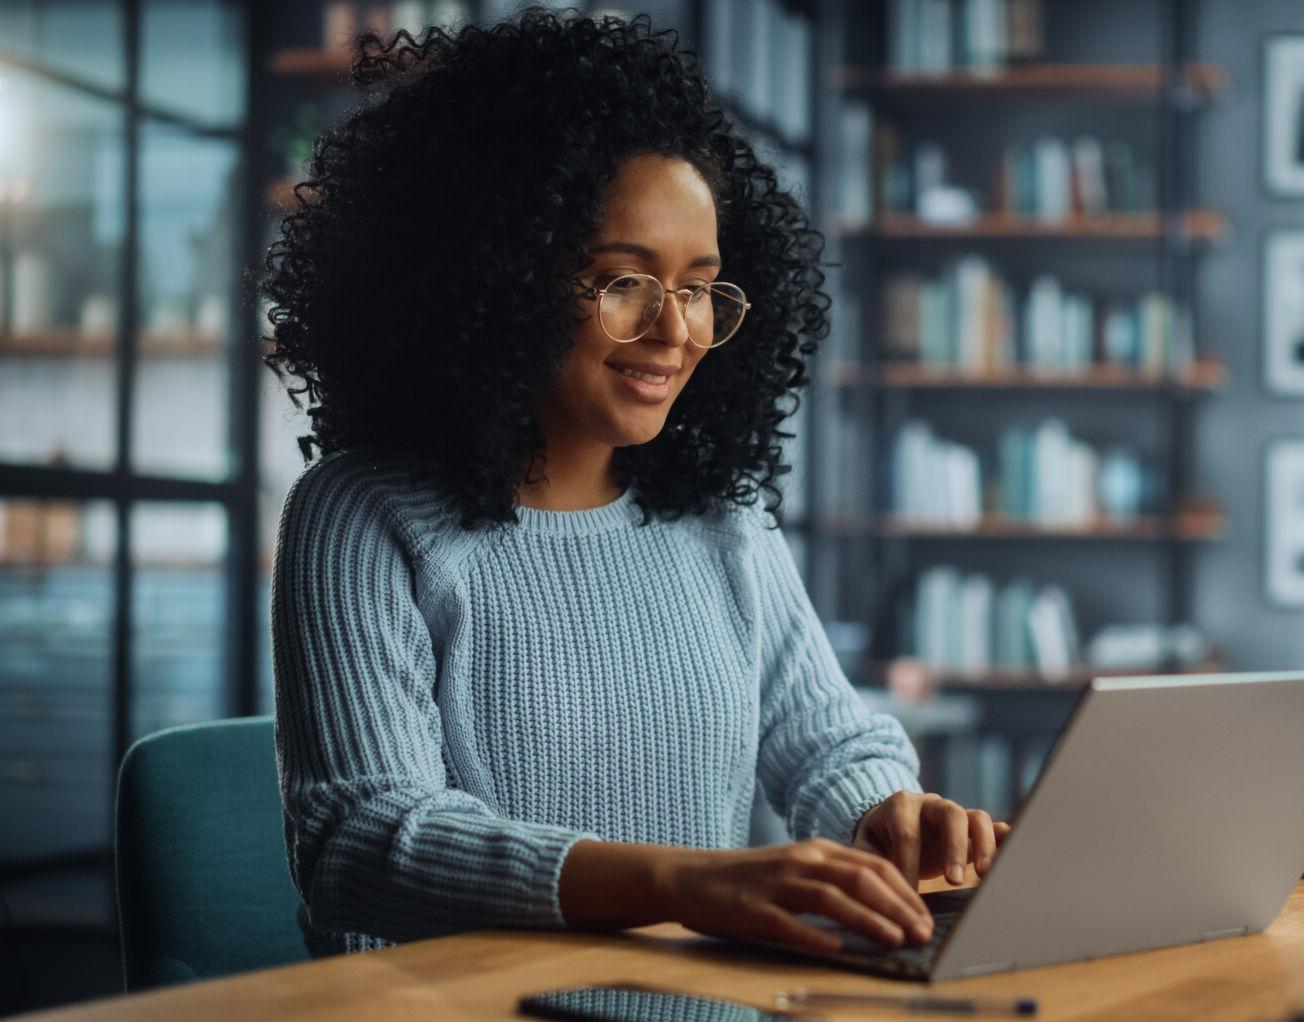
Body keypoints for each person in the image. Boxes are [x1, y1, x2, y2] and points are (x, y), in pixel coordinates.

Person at [261, 9, 1005, 960]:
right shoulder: (363, 516)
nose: (675, 330)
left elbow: (829, 745)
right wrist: (689, 885)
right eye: (624, 281)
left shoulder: (722, 525)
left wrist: (888, 817)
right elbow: (362, 842)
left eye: (699, 286)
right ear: (501, 277)